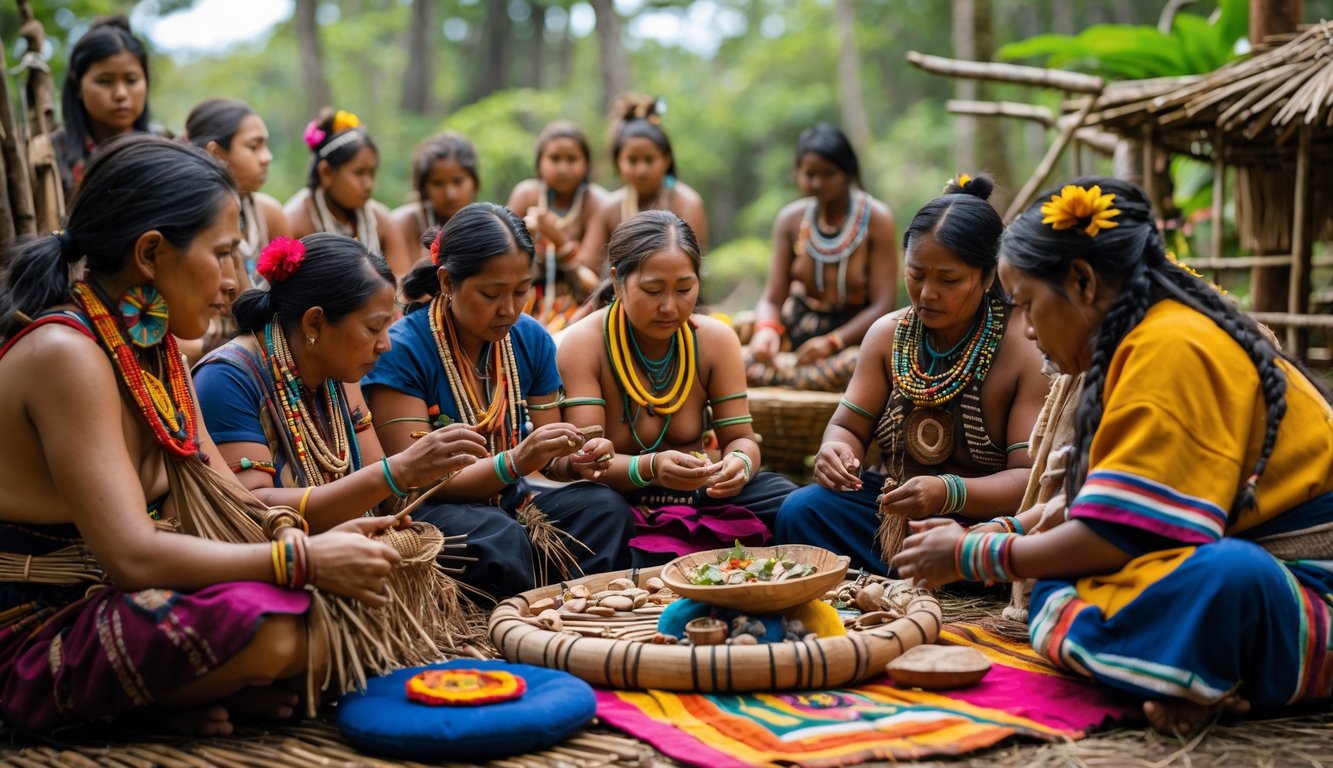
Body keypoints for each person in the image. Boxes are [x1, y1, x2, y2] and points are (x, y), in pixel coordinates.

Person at [0, 135, 414, 735]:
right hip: (37, 630)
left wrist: (326, 535)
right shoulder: (67, 353)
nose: (234, 280)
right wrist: (303, 559)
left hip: (123, 600)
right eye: (222, 254)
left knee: (355, 610)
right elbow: (134, 555)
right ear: (151, 253)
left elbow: (235, 506)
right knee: (282, 632)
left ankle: (181, 690)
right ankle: (157, 701)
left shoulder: (155, 350)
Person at [894, 177, 1333, 736]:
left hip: (1303, 596)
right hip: (1231, 571)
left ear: (1081, 281)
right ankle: (1189, 670)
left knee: (1216, 578)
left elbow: (1119, 535)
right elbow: (1098, 509)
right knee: (1061, 584)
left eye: (1028, 305)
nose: (1025, 330)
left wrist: (973, 554)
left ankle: (1196, 669)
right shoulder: (1139, 343)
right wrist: (1002, 532)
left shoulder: (1170, 346)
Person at [775, 175, 1047, 575]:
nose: (926, 294)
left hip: (980, 527)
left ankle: (940, 568)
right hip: (892, 515)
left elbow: (1027, 479)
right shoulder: (888, 335)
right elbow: (847, 425)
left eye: (948, 280)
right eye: (916, 274)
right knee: (801, 510)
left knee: (1015, 546)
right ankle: (909, 569)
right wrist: (836, 451)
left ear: (989, 277)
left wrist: (948, 492)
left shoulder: (1022, 348)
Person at [363, 203, 634, 598]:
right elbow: (416, 481)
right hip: (431, 509)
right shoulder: (403, 349)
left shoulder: (529, 338)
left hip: (510, 500)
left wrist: (574, 460)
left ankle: (576, 607)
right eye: (491, 293)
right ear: (448, 282)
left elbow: (548, 458)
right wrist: (517, 461)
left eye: (521, 290)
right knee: (497, 536)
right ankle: (520, 617)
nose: (509, 308)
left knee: (605, 510)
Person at [194, 233, 488, 533]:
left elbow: (384, 499)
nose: (385, 345)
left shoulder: (339, 372)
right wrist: (399, 471)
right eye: (374, 327)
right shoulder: (227, 378)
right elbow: (254, 508)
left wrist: (419, 473)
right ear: (314, 323)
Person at [558, 210, 798, 566]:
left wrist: (739, 464)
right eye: (652, 290)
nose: (670, 306)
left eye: (685, 289)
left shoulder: (715, 340)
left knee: (792, 503)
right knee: (599, 511)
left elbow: (742, 438)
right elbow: (585, 463)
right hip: (618, 502)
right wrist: (651, 467)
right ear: (618, 281)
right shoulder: (584, 342)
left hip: (701, 495)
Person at [746, 124, 899, 391]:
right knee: (738, 339)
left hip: (851, 340)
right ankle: (797, 377)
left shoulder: (877, 219)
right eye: (809, 174)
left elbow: (884, 306)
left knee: (857, 365)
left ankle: (787, 378)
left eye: (828, 174)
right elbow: (772, 298)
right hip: (798, 331)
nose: (817, 183)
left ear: (847, 171)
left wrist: (832, 342)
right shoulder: (790, 220)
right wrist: (766, 330)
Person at [576, 95, 707, 276]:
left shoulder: (687, 203)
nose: (641, 170)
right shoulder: (610, 207)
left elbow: (690, 271)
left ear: (666, 159)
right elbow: (587, 267)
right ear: (618, 162)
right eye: (632, 160)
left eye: (649, 159)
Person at [285, 108, 410, 278]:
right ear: (326, 173)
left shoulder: (380, 220)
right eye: (359, 173)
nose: (368, 184)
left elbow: (403, 286)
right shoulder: (294, 222)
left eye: (372, 173)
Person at [507, 121, 607, 331]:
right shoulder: (526, 194)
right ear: (540, 162)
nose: (563, 169)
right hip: (522, 298)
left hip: (578, 309)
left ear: (586, 163)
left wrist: (559, 239)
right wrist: (527, 238)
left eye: (572, 159)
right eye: (554, 159)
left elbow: (590, 282)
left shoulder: (597, 202)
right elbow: (501, 259)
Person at [185, 98, 291, 293]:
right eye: (254, 147)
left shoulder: (270, 215)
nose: (267, 157)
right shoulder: (192, 219)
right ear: (216, 153)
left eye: (265, 145)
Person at [52, 16, 151, 198]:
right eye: (104, 81)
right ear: (78, 87)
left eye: (131, 80)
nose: (121, 94)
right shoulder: (49, 155)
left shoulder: (166, 146)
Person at [393, 131, 481, 265]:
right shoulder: (402, 224)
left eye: (458, 181)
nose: (450, 194)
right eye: (438, 183)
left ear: (474, 181)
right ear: (423, 187)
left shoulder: (485, 222)